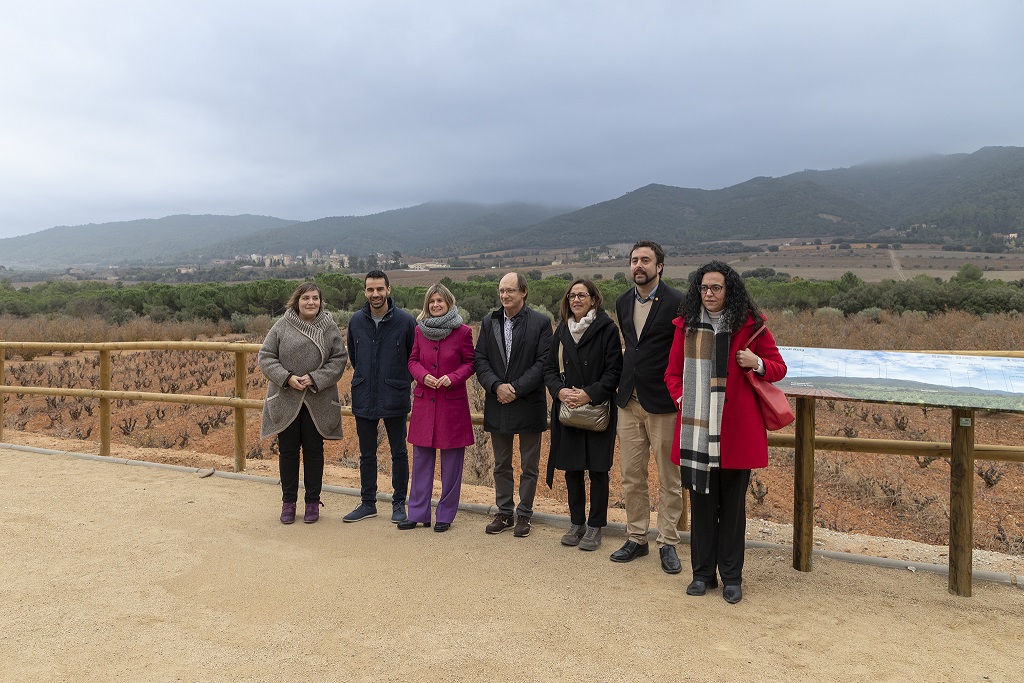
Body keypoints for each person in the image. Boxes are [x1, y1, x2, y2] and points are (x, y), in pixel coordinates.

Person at [665, 261, 787, 604]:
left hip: (736, 432)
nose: (709, 294)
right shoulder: (685, 327)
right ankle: (703, 574)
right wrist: (681, 400)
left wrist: (757, 363)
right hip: (697, 432)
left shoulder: (752, 327)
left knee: (732, 509)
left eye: (716, 288)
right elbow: (673, 373)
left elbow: (778, 368)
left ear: (729, 290)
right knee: (702, 506)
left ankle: (732, 577)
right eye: (704, 288)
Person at [610, 240, 688, 575]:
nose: (638, 265)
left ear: (660, 267)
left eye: (646, 260)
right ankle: (637, 537)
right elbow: (632, 346)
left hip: (664, 402)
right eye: (634, 260)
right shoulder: (623, 301)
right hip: (629, 401)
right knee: (631, 475)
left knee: (669, 477)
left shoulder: (679, 302)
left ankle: (668, 542)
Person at [543, 278, 622, 551]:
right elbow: (549, 368)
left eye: (581, 295)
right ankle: (576, 523)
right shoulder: (561, 331)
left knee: (599, 470)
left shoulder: (607, 329)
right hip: (568, 410)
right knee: (573, 470)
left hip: (598, 409)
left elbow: (614, 371)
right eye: (571, 296)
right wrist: (559, 392)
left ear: (593, 299)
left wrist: (590, 393)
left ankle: (596, 526)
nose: (576, 300)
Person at [258, 282, 347, 524]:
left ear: (321, 301)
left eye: (315, 298)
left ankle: (312, 502)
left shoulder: (329, 327)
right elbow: (265, 356)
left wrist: (315, 378)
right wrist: (286, 378)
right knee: (288, 452)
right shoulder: (282, 325)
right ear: (297, 301)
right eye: (306, 298)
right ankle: (288, 503)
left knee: (314, 452)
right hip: (287, 397)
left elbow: (339, 359)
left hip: (317, 398)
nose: (311, 302)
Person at [475, 272, 553, 538]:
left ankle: (525, 515)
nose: (505, 296)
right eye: (501, 291)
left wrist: (515, 389)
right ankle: (505, 513)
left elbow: (544, 363)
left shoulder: (541, 323)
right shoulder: (489, 322)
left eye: (510, 291)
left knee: (529, 465)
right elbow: (480, 359)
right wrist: (497, 386)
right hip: (498, 401)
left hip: (528, 402)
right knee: (501, 464)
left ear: (523, 292)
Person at [399, 284, 475, 533]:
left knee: (452, 463)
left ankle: (445, 515)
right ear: (426, 305)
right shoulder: (420, 331)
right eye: (431, 301)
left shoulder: (463, 332)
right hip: (424, 402)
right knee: (421, 460)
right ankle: (417, 513)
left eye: (440, 301)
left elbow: (470, 364)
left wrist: (453, 377)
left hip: (451, 404)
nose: (435, 305)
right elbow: (412, 361)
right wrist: (422, 376)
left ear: (449, 303)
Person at [344, 270, 417, 524]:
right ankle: (368, 503)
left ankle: (399, 503)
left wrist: (398, 381)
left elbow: (413, 358)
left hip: (394, 395)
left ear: (389, 289)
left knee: (399, 452)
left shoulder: (406, 322)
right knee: (367, 453)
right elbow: (354, 356)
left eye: (380, 289)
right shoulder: (355, 321)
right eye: (370, 290)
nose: (375, 294)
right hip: (364, 394)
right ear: (365, 292)